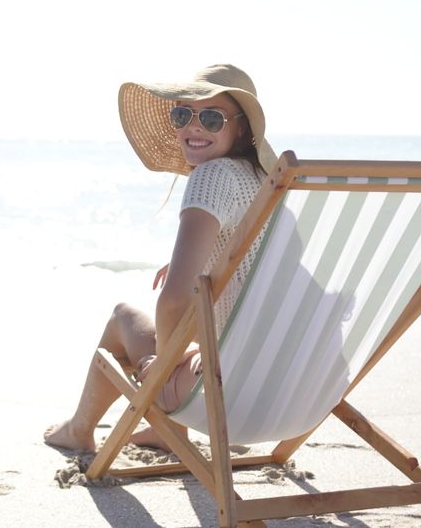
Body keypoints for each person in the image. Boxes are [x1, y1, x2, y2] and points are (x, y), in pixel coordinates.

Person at [44, 64, 277, 452]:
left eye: (212, 117)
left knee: (123, 319)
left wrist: (164, 371)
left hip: (229, 392)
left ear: (240, 129)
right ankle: (156, 431)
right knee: (173, 334)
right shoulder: (268, 183)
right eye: (182, 114)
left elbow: (174, 299)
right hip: (288, 386)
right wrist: (206, 265)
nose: (194, 126)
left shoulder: (212, 177)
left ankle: (83, 430)